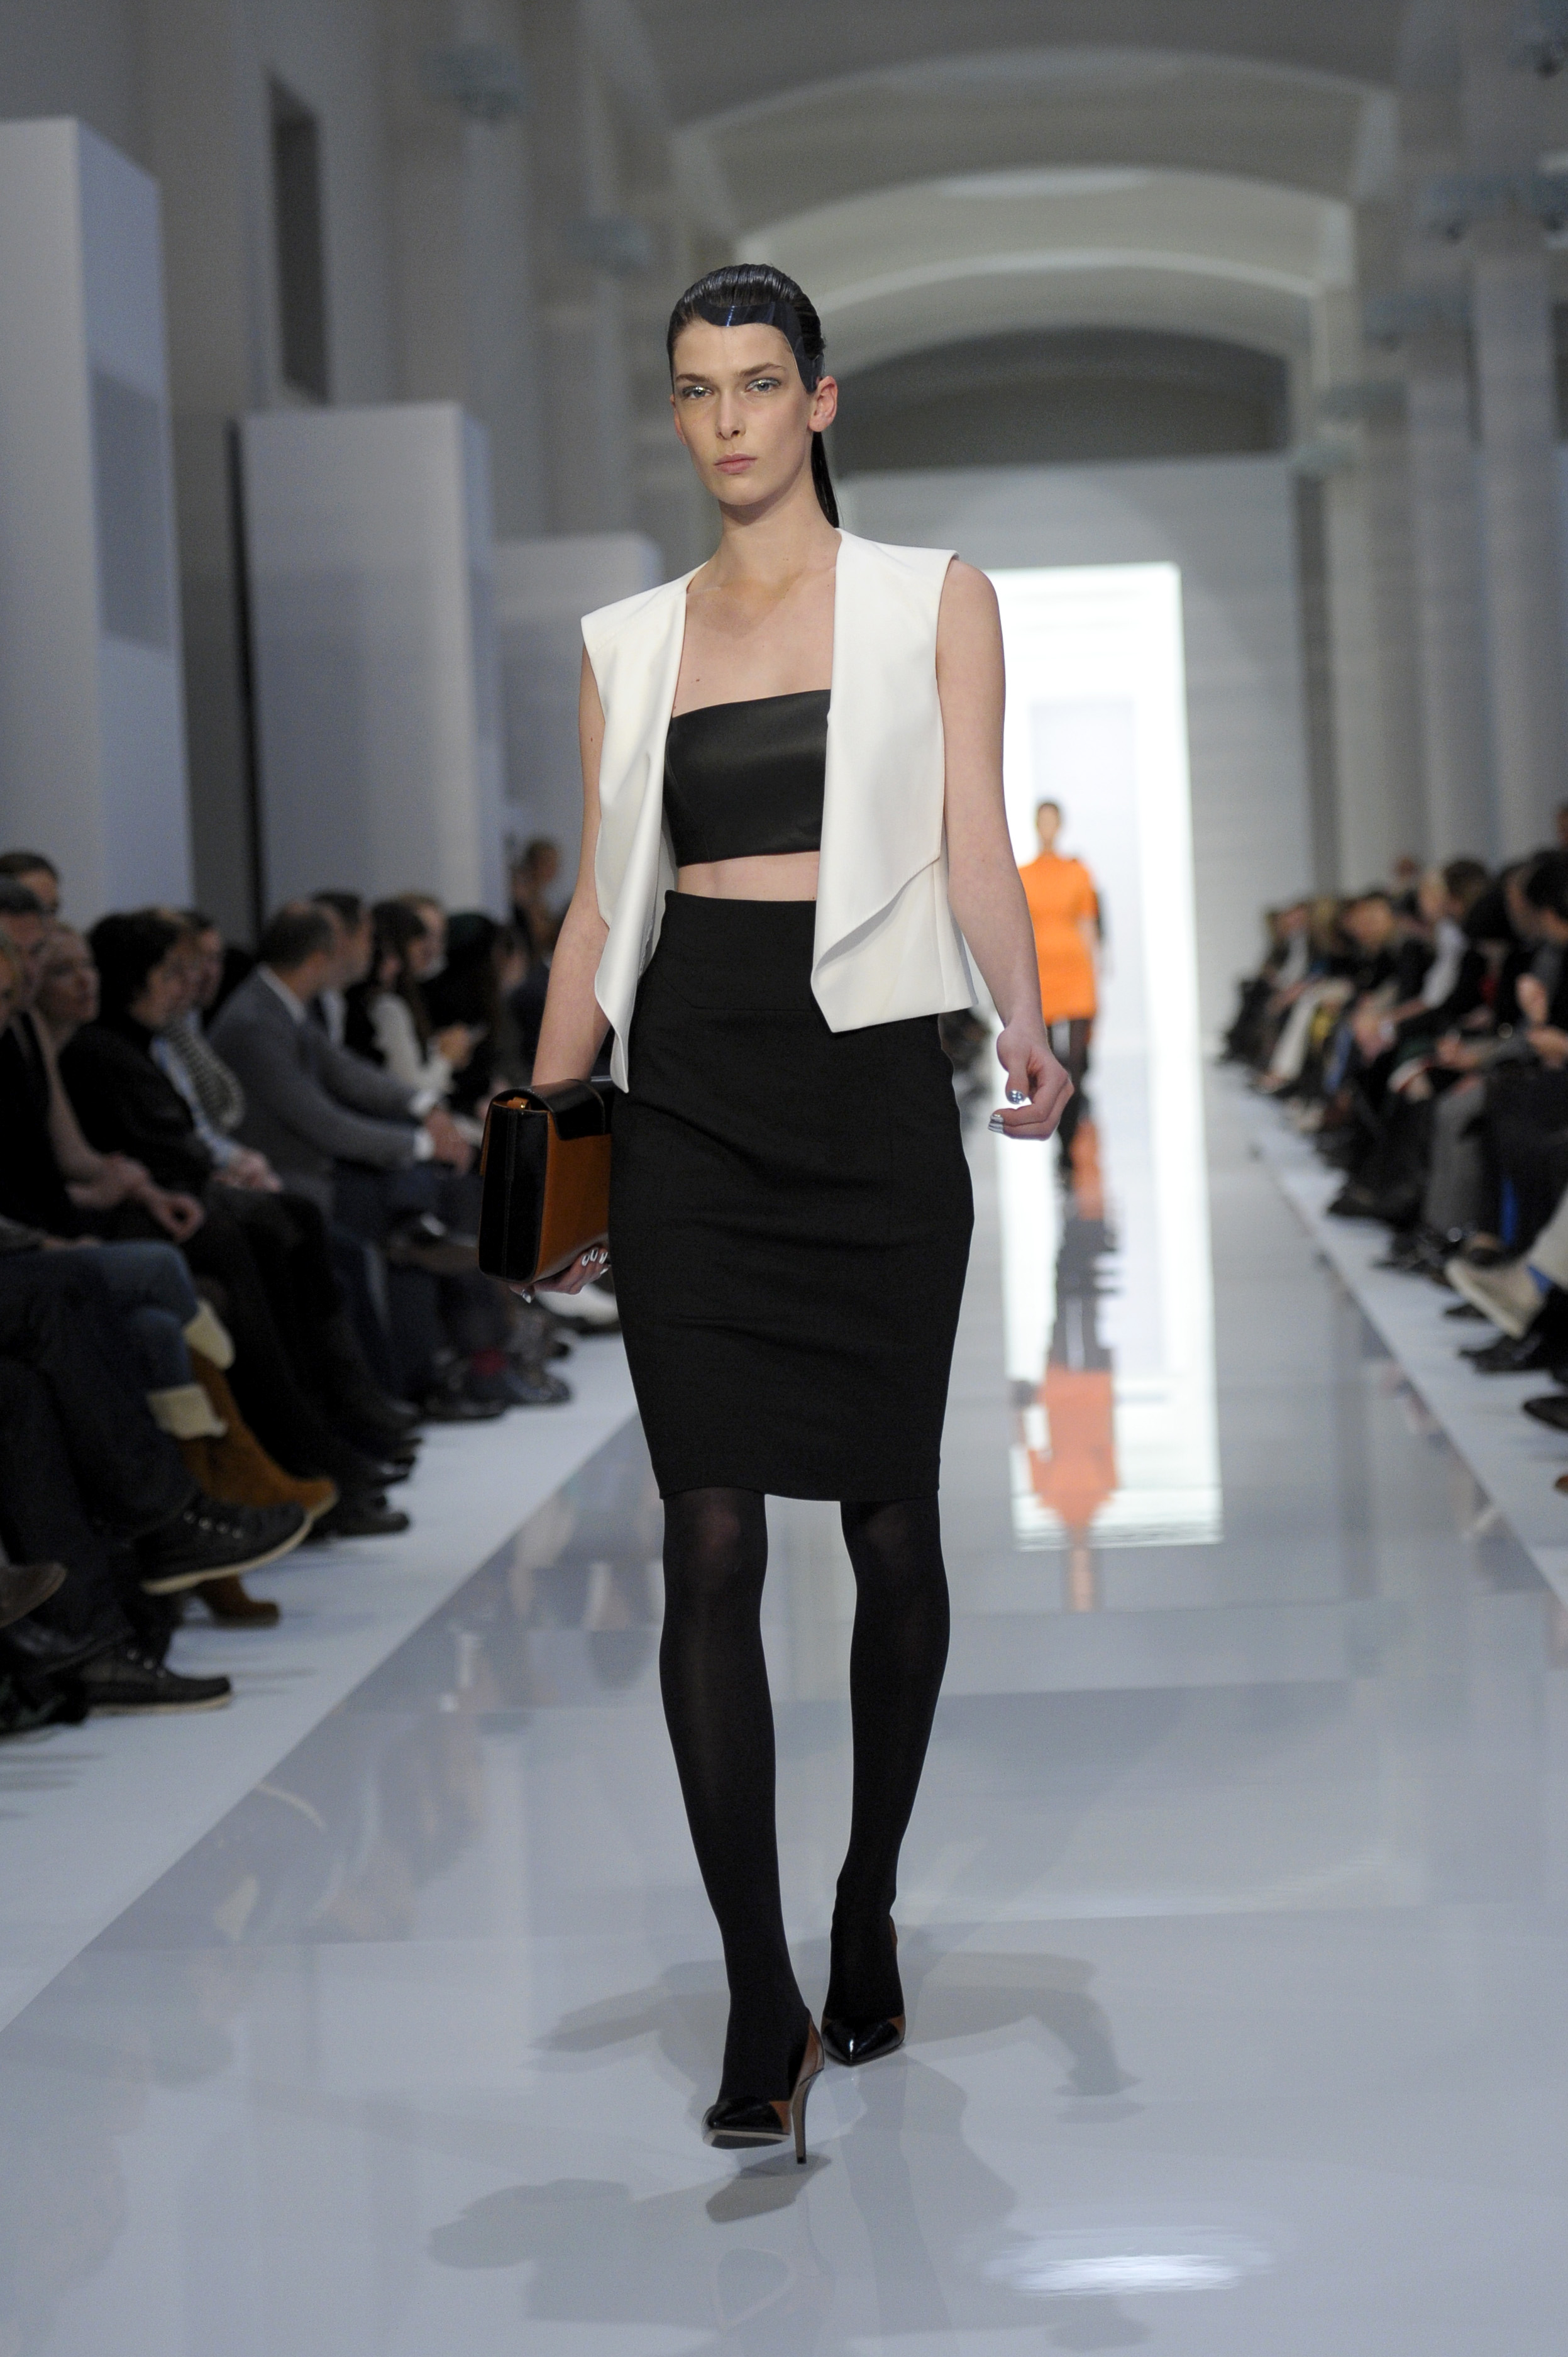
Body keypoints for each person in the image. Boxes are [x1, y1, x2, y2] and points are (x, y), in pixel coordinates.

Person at [529, 262, 1071, 2157]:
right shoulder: (627, 639)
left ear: (820, 400)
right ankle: (758, 1988)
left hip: (867, 1093)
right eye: (698, 389)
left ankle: (863, 1901)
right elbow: (601, 907)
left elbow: (971, 836)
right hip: (689, 1092)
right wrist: (544, 1146)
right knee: (706, 1534)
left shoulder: (934, 599)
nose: (729, 421)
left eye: (760, 383)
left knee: (892, 1525)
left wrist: (1027, 1022)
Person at [1017, 799, 1098, 1154]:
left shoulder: (1078, 873)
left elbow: (1088, 925)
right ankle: (1059, 1133)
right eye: (1043, 821)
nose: (1048, 828)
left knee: (1077, 1059)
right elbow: (1017, 932)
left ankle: (1071, 1138)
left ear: (1060, 826)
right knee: (1048, 1060)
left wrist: (1095, 977)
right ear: (1037, 826)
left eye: (1053, 821)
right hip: (1041, 972)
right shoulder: (1023, 875)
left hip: (1075, 970)